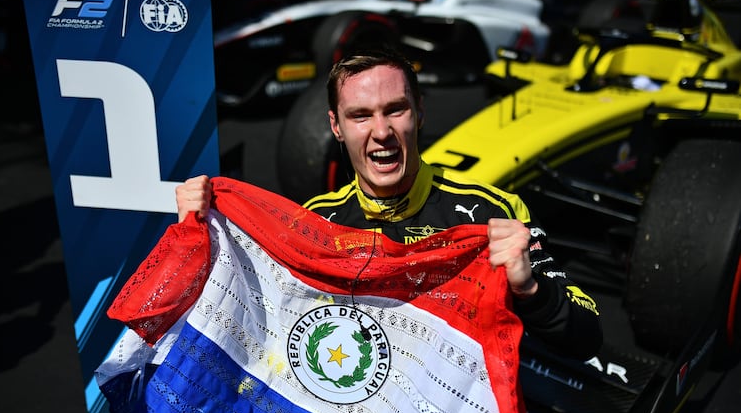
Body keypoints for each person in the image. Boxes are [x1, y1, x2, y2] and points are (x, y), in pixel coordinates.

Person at [176, 48, 601, 360]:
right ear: (336, 127)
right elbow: (253, 327)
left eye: (395, 110)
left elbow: (588, 336)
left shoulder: (494, 212)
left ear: (419, 112)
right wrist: (204, 241)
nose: (381, 132)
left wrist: (530, 289)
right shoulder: (315, 221)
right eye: (361, 116)